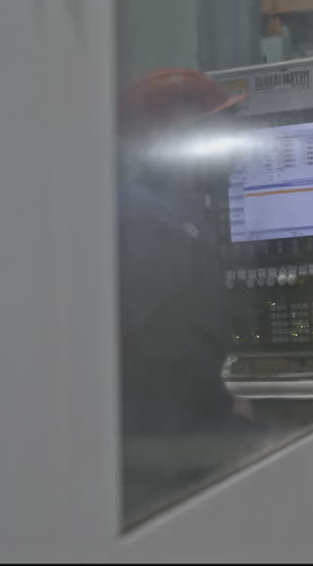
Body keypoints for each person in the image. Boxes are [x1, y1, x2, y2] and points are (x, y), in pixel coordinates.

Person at [116, 67, 258, 522]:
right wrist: (227, 421)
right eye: (217, 135)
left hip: (181, 432)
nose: (230, 152)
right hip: (162, 455)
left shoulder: (181, 212)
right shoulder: (147, 220)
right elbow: (164, 357)